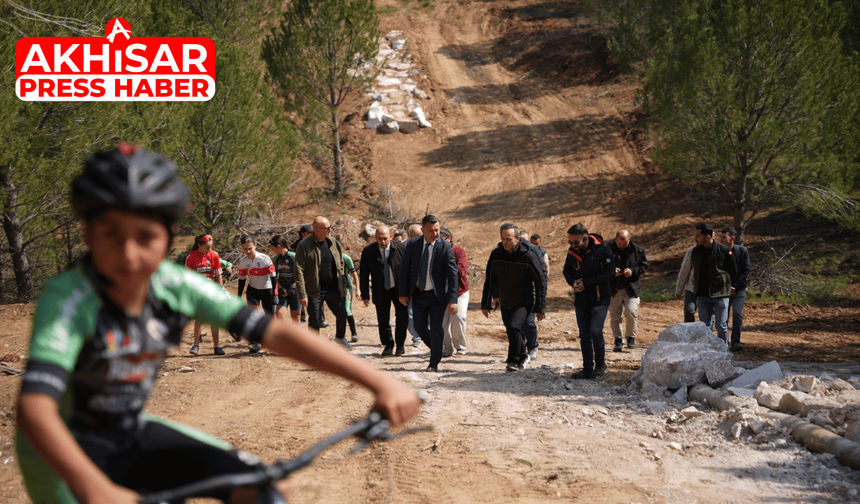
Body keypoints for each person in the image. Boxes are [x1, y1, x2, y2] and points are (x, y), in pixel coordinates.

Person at [15, 145, 420, 504]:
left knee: (260, 490)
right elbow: (34, 408)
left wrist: (380, 381)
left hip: (129, 433)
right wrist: (93, 489)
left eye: (145, 236)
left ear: (171, 236)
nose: (129, 255)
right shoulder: (69, 299)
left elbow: (274, 331)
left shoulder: (175, 286)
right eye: (109, 234)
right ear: (86, 231)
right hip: (63, 460)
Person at [481, 224, 546, 371]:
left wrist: (540, 307)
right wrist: (487, 303)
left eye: (508, 239)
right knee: (511, 330)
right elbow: (490, 280)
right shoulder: (496, 254)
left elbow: (539, 281)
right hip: (506, 300)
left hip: (524, 300)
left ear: (517, 239)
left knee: (514, 326)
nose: (505, 242)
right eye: (503, 239)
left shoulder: (528, 256)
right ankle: (523, 355)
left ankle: (513, 361)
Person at [398, 215, 459, 372]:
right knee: (419, 327)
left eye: (437, 230)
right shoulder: (412, 244)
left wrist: (453, 300)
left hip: (437, 296)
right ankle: (436, 347)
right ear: (423, 229)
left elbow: (453, 274)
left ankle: (434, 362)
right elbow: (404, 269)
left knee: (437, 328)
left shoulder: (445, 246)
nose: (435, 233)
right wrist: (403, 292)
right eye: (431, 230)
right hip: (418, 294)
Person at [563, 223, 615, 379]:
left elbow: (610, 273)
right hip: (581, 299)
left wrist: (587, 282)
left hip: (600, 298)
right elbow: (566, 270)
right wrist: (573, 282)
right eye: (570, 242)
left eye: (576, 242)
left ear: (585, 238)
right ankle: (587, 368)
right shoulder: (572, 252)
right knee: (584, 335)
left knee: (595, 331)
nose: (573, 245)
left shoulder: (603, 250)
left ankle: (600, 365)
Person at [295, 216, 352, 350]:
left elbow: (341, 265)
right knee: (314, 320)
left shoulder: (333, 242)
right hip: (314, 290)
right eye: (327, 228)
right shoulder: (303, 245)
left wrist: (343, 285)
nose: (330, 230)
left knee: (342, 313)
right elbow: (298, 269)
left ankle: (340, 337)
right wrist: (302, 294)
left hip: (334, 288)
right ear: (316, 230)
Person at [360, 225, 407, 356]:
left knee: (402, 317)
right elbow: (364, 274)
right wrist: (365, 295)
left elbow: (410, 270)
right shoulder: (369, 251)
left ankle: (400, 344)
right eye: (380, 239)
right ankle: (388, 345)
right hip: (381, 290)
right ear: (375, 238)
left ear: (390, 237)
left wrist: (409, 291)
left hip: (399, 290)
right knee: (383, 318)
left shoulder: (401, 248)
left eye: (385, 238)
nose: (383, 241)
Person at [691, 223, 736, 345]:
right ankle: (709, 353)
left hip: (720, 294)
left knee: (721, 325)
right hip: (702, 295)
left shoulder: (724, 250)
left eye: (698, 236)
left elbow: (733, 270)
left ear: (707, 237)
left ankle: (723, 353)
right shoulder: (695, 251)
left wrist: (730, 286)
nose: (695, 238)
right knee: (705, 327)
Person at [185, 234, 225, 356]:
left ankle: (217, 346)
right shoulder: (191, 257)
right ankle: (196, 344)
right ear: (199, 245)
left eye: (211, 247)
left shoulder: (214, 255)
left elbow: (218, 274)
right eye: (207, 247)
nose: (209, 250)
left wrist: (220, 288)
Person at [609, 230, 648, 352]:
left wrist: (633, 271)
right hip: (613, 288)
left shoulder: (638, 250)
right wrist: (610, 270)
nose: (621, 246)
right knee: (615, 316)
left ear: (629, 240)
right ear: (615, 240)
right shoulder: (607, 249)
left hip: (631, 288)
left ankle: (631, 338)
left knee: (631, 312)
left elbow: (644, 266)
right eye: (619, 244)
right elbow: (600, 265)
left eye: (624, 244)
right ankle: (618, 341)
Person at [237, 236, 277, 353]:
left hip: (267, 289)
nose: (248, 251)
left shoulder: (265, 259)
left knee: (270, 316)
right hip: (253, 290)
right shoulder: (243, 262)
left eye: (250, 248)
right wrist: (239, 295)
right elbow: (242, 279)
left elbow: (274, 278)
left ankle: (271, 338)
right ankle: (258, 341)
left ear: (255, 245)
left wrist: (275, 294)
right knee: (255, 315)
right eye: (245, 249)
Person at [719, 227, 751, 352]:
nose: (721, 239)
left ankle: (736, 341)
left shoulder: (742, 251)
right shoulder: (719, 252)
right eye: (721, 237)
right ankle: (723, 342)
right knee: (723, 317)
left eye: (724, 237)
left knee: (737, 314)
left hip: (739, 289)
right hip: (723, 289)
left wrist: (734, 286)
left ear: (732, 238)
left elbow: (746, 270)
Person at [440, 228, 470, 357]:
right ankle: (446, 348)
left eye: (443, 239)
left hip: (459, 291)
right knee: (442, 321)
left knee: (458, 317)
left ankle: (460, 346)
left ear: (450, 239)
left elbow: (461, 269)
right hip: (441, 292)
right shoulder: (434, 251)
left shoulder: (458, 251)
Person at [520, 233, 548, 361]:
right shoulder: (511, 253)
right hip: (516, 295)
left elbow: (543, 276)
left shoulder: (538, 253)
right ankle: (519, 350)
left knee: (529, 323)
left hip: (532, 294)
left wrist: (541, 305)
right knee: (517, 324)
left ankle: (532, 346)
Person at [269, 235, 301, 324]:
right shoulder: (275, 259)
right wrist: (280, 288)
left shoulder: (294, 256)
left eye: (272, 247)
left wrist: (293, 287)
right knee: (279, 315)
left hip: (295, 290)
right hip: (282, 290)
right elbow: (274, 275)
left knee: (296, 316)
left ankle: (296, 337)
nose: (272, 250)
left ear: (278, 246)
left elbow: (302, 274)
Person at [405, 223, 425, 347]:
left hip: (425, 287)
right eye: (416, 236)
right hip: (409, 288)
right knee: (410, 314)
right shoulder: (402, 247)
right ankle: (416, 337)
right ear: (409, 235)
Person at [675, 245, 698, 323]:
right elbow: (684, 271)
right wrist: (679, 289)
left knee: (707, 317)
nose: (696, 239)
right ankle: (689, 333)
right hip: (692, 288)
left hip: (708, 291)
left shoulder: (716, 251)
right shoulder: (692, 251)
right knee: (689, 311)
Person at [342, 252, 361, 343]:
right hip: (335, 287)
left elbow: (354, 275)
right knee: (339, 311)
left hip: (347, 287)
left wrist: (357, 289)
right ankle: (341, 334)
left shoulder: (345, 258)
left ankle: (354, 333)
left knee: (347, 309)